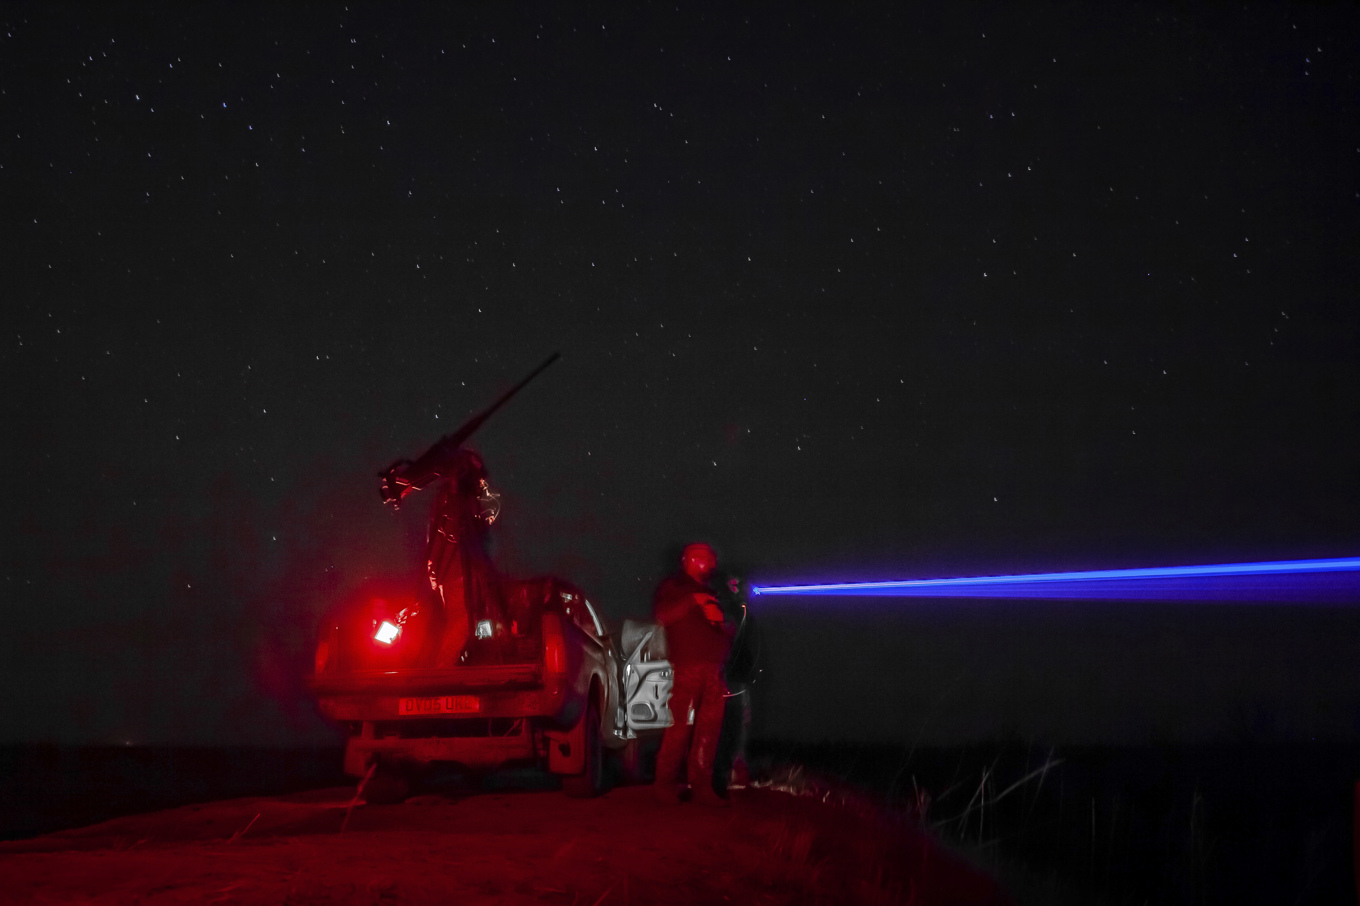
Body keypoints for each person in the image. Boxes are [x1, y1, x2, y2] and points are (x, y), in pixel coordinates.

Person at [652, 542, 735, 805]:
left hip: (714, 670)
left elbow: (726, 630)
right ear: (691, 560)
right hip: (687, 667)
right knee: (679, 728)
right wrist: (692, 601)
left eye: (712, 559)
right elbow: (663, 616)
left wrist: (722, 623)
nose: (712, 564)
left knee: (709, 731)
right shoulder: (674, 587)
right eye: (707, 559)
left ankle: (701, 786)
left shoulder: (713, 591)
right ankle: (664, 785)